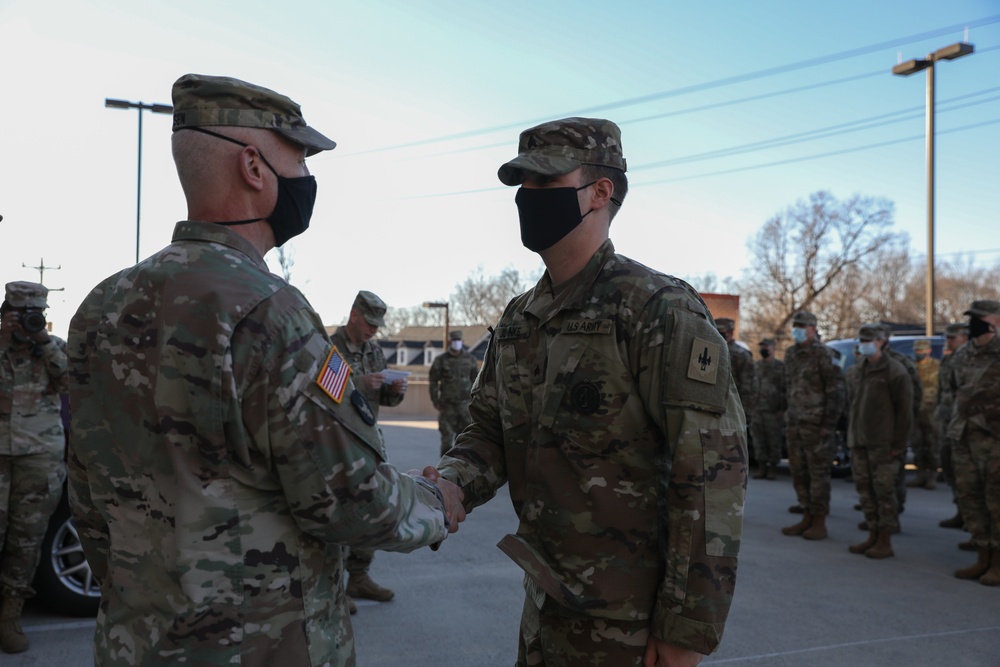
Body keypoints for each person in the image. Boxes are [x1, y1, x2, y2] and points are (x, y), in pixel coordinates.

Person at [66, 73, 464, 666]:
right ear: (254, 169)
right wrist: (437, 500)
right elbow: (349, 502)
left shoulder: (99, 307)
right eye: (299, 157)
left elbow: (89, 503)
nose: (307, 177)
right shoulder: (268, 310)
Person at [430, 117, 747, 666]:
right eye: (522, 187)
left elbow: (710, 476)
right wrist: (450, 484)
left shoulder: (656, 308)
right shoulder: (519, 318)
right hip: (547, 598)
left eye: (546, 185)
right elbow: (488, 431)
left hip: (629, 621)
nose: (529, 199)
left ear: (601, 192)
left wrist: (686, 629)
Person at [0, 282, 67, 654]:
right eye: (21, 311)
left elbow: (72, 382)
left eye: (35, 312)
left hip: (38, 456)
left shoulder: (53, 349)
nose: (28, 318)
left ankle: (9, 616)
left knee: (26, 540)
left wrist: (42, 340)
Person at [330, 290, 408, 608]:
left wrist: (394, 390)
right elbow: (325, 392)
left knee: (373, 506)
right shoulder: (330, 348)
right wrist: (362, 384)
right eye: (370, 324)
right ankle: (333, 589)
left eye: (378, 326)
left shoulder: (374, 350)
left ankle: (359, 578)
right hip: (335, 441)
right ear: (354, 315)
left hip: (369, 440)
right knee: (335, 512)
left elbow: (385, 400)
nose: (373, 331)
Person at [846, 324, 913, 559]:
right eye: (862, 339)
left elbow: (905, 412)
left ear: (882, 342)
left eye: (870, 340)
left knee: (884, 492)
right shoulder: (856, 371)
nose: (865, 343)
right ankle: (873, 535)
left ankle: (885, 540)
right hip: (859, 441)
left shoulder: (895, 371)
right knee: (865, 492)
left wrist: (899, 444)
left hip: (884, 443)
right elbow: (852, 406)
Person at [946, 300, 1000, 585]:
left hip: (994, 438)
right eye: (972, 318)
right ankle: (983, 555)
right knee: (970, 496)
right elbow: (954, 389)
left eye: (980, 317)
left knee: (996, 500)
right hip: (964, 435)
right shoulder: (963, 353)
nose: (974, 322)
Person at [781, 310, 844, 540]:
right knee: (799, 472)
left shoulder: (824, 354)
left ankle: (819, 521)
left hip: (817, 425)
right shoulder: (791, 354)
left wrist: (828, 423)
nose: (797, 329)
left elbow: (836, 392)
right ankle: (806, 514)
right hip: (795, 422)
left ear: (813, 329)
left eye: (802, 326)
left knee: (818, 474)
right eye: (795, 325)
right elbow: (787, 387)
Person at [936, 322, 970, 529]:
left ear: (965, 338)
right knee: (949, 466)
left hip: (965, 423)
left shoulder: (971, 360)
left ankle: (975, 519)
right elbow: (943, 390)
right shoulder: (949, 360)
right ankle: (961, 511)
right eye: (947, 338)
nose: (948, 341)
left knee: (968, 473)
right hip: (947, 421)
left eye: (953, 338)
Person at [428, 330, 479, 457]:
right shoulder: (441, 360)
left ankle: (460, 469)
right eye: (454, 340)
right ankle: (444, 470)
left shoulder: (470, 359)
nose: (457, 342)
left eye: (458, 340)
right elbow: (433, 381)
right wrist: (435, 400)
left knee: (464, 440)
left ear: (462, 341)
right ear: (450, 342)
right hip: (447, 406)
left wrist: (476, 401)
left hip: (465, 406)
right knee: (446, 439)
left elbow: (476, 381)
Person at [906, 338, 940, 489]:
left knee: (933, 445)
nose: (919, 353)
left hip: (932, 412)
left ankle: (932, 476)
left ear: (929, 350)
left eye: (922, 350)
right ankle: (920, 474)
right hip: (915, 411)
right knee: (917, 445)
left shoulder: (938, 367)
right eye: (917, 351)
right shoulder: (911, 368)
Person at [752, 337, 785, 480]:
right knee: (758, 440)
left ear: (773, 348)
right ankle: (761, 467)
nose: (763, 349)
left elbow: (785, 388)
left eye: (766, 346)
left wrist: (783, 409)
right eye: (762, 346)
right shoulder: (756, 366)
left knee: (774, 440)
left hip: (773, 410)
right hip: (757, 409)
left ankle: (772, 468)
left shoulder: (780, 367)